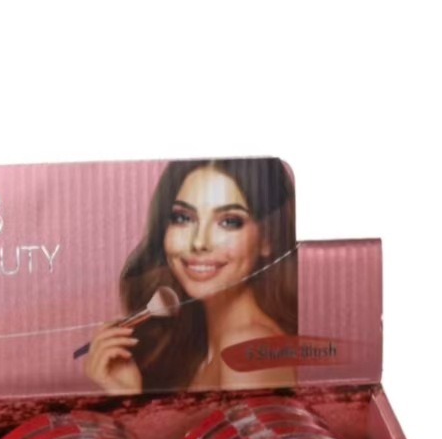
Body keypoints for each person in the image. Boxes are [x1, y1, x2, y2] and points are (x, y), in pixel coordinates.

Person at [83, 158, 297, 394]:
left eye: (229, 221)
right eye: (183, 218)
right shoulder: (197, 349)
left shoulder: (249, 347)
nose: (198, 242)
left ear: (267, 238)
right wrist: (129, 395)